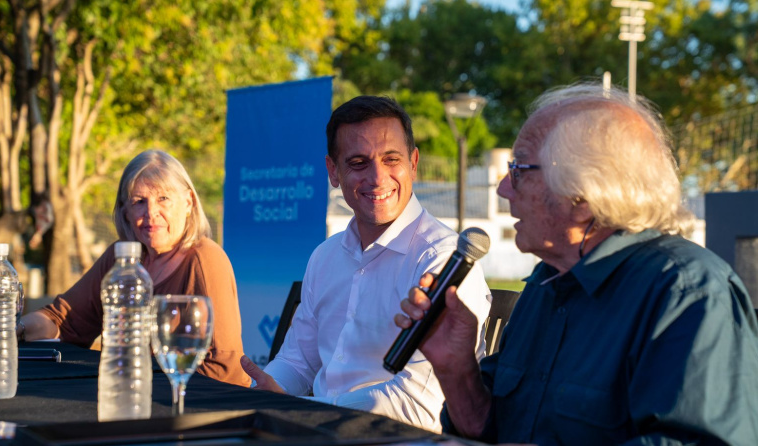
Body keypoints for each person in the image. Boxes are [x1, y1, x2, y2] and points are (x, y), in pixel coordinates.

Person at [397, 83, 758, 445]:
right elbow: (488, 428)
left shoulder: (687, 292)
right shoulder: (547, 283)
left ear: (583, 192)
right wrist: (456, 368)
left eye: (519, 169)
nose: (503, 189)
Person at [240, 96, 492, 432]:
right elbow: (296, 360)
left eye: (392, 159)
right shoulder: (326, 256)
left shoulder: (444, 261)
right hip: (318, 431)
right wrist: (264, 393)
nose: (377, 177)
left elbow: (421, 406)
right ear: (333, 171)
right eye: (358, 162)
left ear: (413, 162)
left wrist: (301, 409)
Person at [18, 150, 251, 387]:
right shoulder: (121, 258)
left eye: (163, 199)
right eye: (139, 202)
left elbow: (224, 367)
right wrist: (13, 329)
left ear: (188, 202)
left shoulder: (205, 259)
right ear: (125, 212)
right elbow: (64, 320)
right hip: (125, 398)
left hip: (193, 408)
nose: (151, 213)